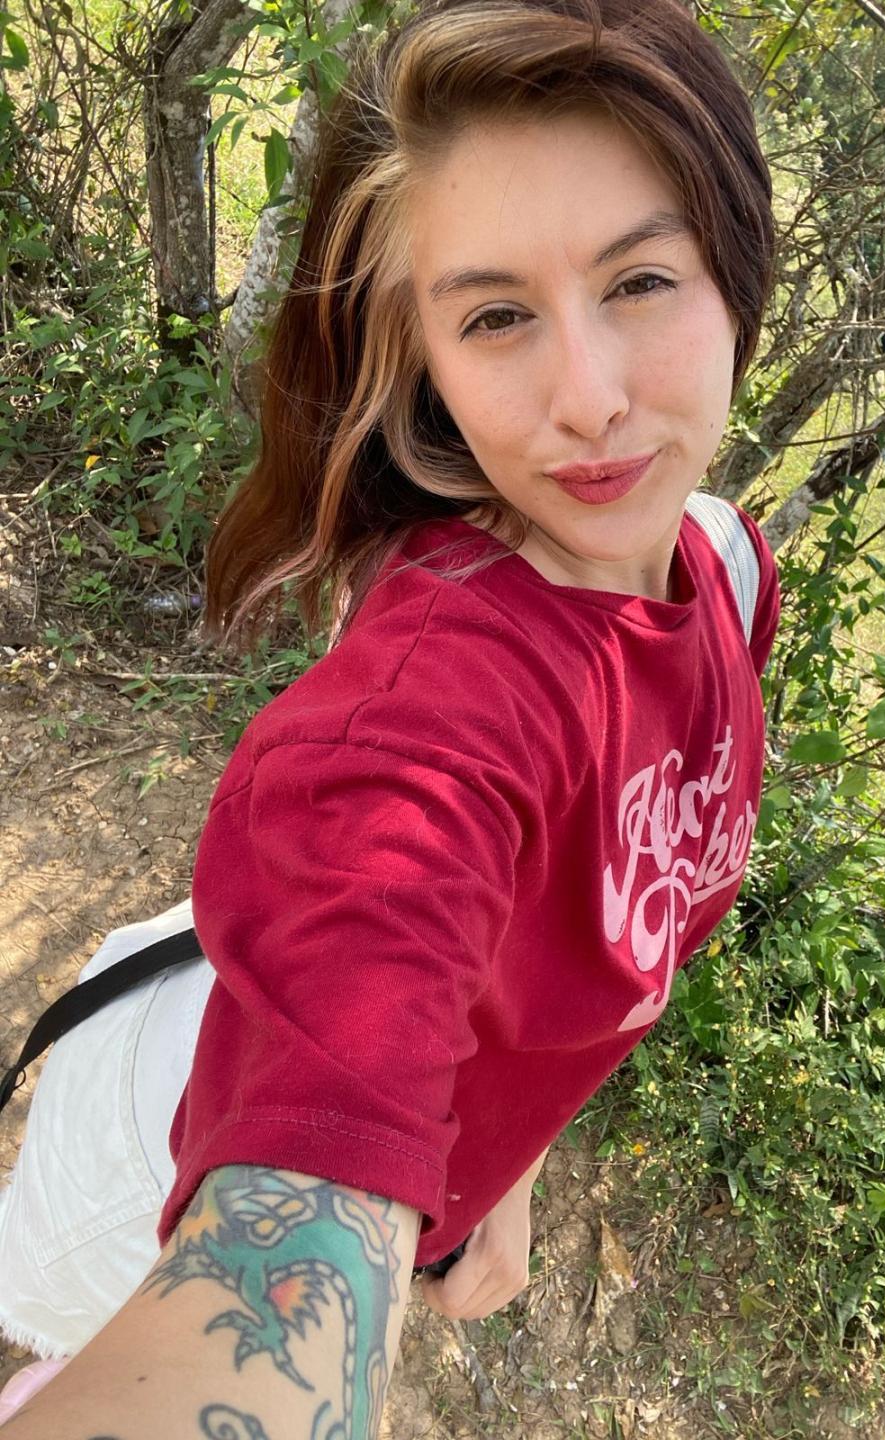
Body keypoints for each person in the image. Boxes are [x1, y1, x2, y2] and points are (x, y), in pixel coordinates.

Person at [0, 0, 779, 1432]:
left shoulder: (723, 569)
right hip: (153, 1151)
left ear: (735, 273)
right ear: (425, 360)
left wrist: (506, 1163)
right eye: (496, 317)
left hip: (283, 1055)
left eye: (640, 281)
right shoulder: (429, 708)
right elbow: (263, 1311)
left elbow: (584, 951)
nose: (591, 399)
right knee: (69, 1340)